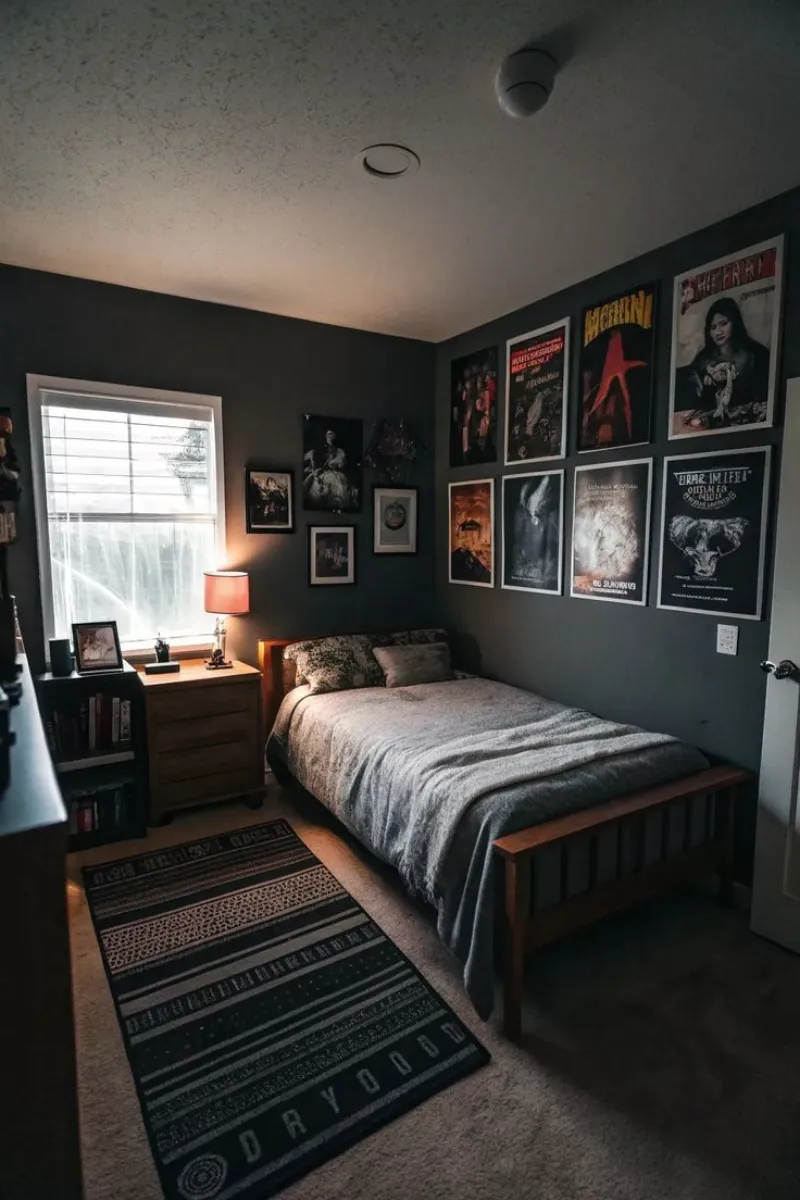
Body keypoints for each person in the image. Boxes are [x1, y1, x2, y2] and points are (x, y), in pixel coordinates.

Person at [676, 297, 770, 429]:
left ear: (735, 322)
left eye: (724, 324)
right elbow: (695, 399)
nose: (718, 332)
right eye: (713, 327)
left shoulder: (757, 355)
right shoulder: (704, 359)